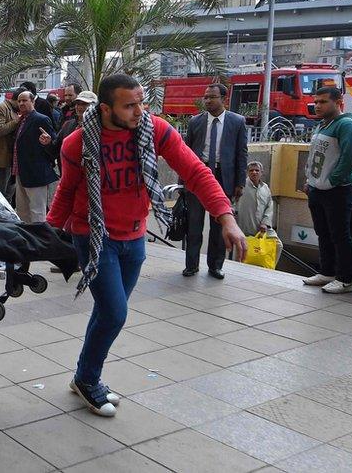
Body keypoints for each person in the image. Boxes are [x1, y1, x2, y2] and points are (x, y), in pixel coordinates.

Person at [48, 74, 244, 417]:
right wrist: (45, 235)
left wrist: (225, 217)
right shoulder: (77, 143)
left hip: (135, 236)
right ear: (106, 109)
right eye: (130, 105)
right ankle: (88, 379)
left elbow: (195, 171)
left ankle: (83, 376)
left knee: (108, 311)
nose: (140, 110)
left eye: (142, 102)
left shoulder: (155, 130)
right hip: (94, 237)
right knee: (114, 312)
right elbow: (65, 192)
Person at [182, 83, 248, 280]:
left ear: (224, 99)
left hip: (223, 177)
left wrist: (240, 182)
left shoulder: (237, 122)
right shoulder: (195, 122)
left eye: (212, 97)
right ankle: (191, 265)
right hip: (197, 176)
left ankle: (215, 266)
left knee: (219, 226)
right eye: (206, 97)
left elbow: (241, 153)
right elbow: (184, 153)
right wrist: (183, 181)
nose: (208, 100)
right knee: (194, 225)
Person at [303, 86, 352, 294]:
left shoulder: (346, 125)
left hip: (338, 190)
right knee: (323, 232)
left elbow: (351, 157)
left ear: (337, 103)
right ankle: (327, 271)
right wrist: (310, 180)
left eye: (323, 102)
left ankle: (346, 279)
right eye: (316, 101)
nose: (317, 105)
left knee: (339, 234)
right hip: (316, 189)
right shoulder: (322, 125)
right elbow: (314, 156)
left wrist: (333, 181)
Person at [11, 90, 58, 222]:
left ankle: (40, 239)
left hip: (36, 173)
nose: (21, 103)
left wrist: (48, 142)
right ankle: (27, 238)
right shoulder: (21, 120)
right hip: (20, 172)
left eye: (25, 100)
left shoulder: (41, 119)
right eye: (19, 101)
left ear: (33, 101)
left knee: (37, 211)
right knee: (22, 210)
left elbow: (53, 145)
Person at [236, 161, 283, 266]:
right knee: (243, 251)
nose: (254, 172)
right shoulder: (241, 185)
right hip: (246, 225)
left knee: (278, 245)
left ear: (261, 172)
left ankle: (269, 267)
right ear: (247, 172)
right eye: (251, 170)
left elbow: (269, 206)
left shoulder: (265, 188)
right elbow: (233, 200)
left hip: (263, 227)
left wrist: (265, 223)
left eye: (257, 170)